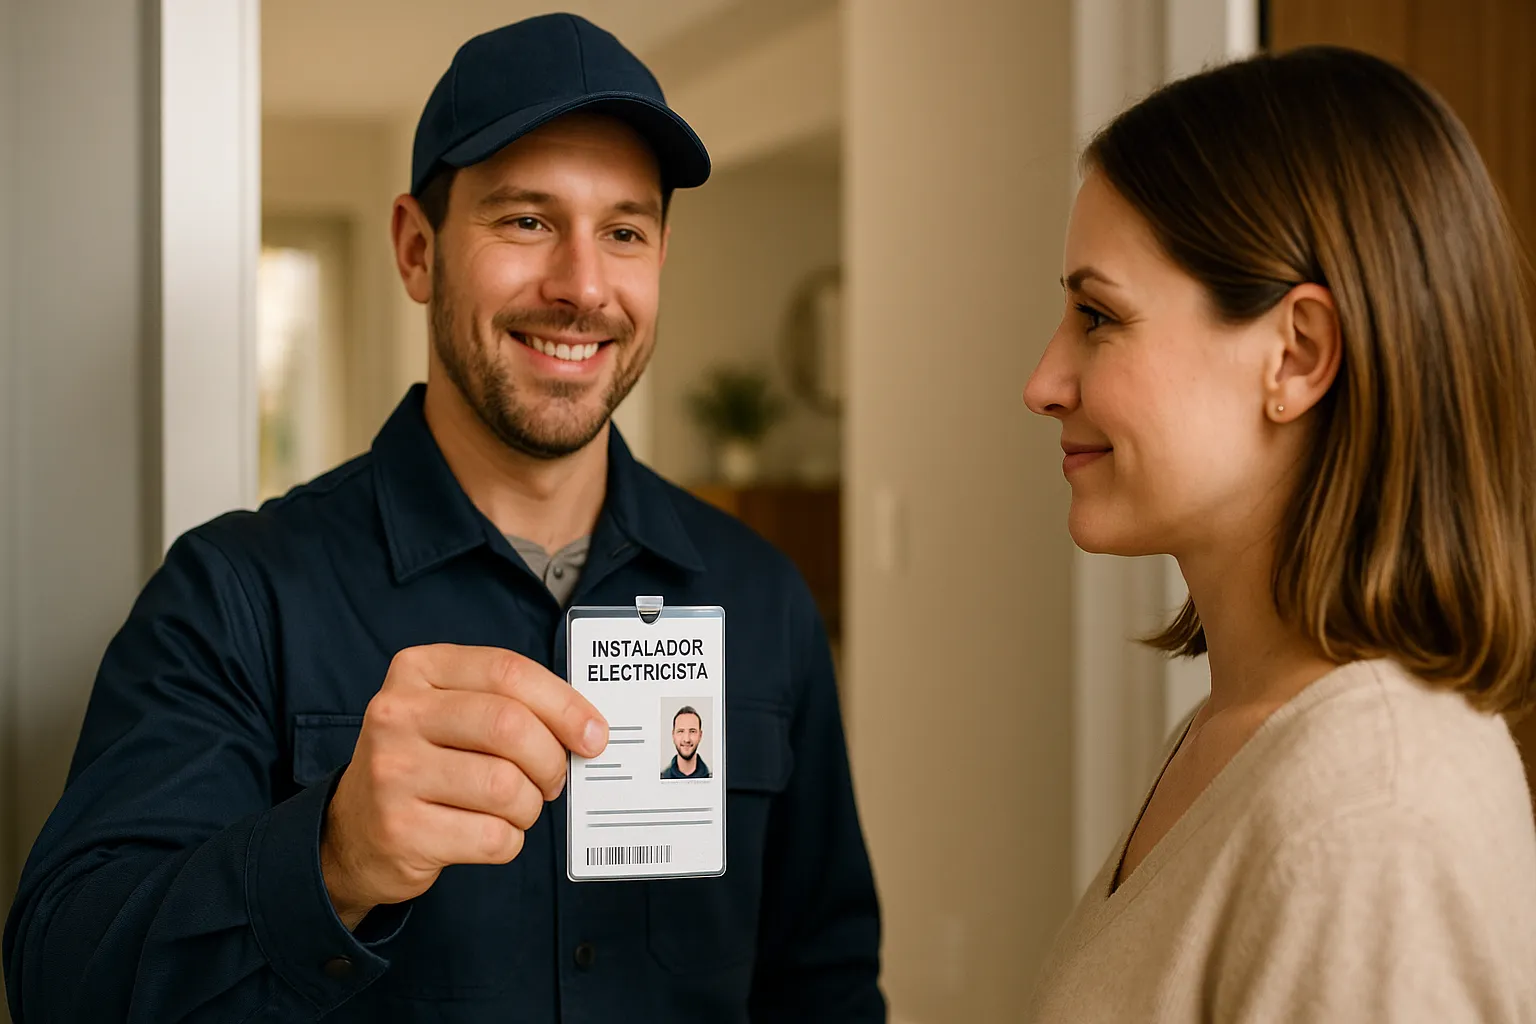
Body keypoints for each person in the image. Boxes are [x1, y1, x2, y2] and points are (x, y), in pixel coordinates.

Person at [3, 15, 883, 1023]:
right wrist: (332, 858)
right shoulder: (234, 594)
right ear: (417, 250)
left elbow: (825, 982)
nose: (583, 286)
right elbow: (60, 984)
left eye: (624, 232)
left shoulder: (761, 596)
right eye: (527, 221)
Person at [1023, 46, 1536, 1022]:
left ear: (1297, 355)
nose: (1042, 382)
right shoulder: (1235, 738)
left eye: (1098, 315)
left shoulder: (1373, 811)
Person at [662, 706, 711, 779]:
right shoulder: (662, 778)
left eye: (692, 731)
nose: (686, 739)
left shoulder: (713, 778)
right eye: (680, 731)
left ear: (700, 735)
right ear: (673, 735)